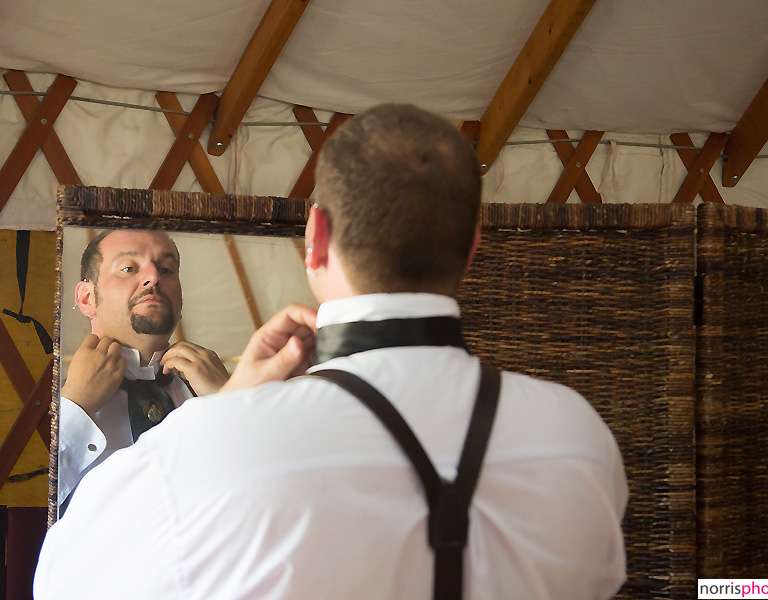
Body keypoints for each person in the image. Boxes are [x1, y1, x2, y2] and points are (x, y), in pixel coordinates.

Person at [35, 104, 628, 599]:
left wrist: (224, 413)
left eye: (164, 267)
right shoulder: (581, 437)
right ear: (471, 248)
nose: (151, 280)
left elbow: (61, 585)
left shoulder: (204, 450)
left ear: (314, 239)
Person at [58, 228, 229, 507]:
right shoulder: (51, 403)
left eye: (166, 269)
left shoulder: (217, 391)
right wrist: (76, 407)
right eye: (128, 268)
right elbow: (30, 513)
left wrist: (231, 402)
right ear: (87, 298)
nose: (154, 278)